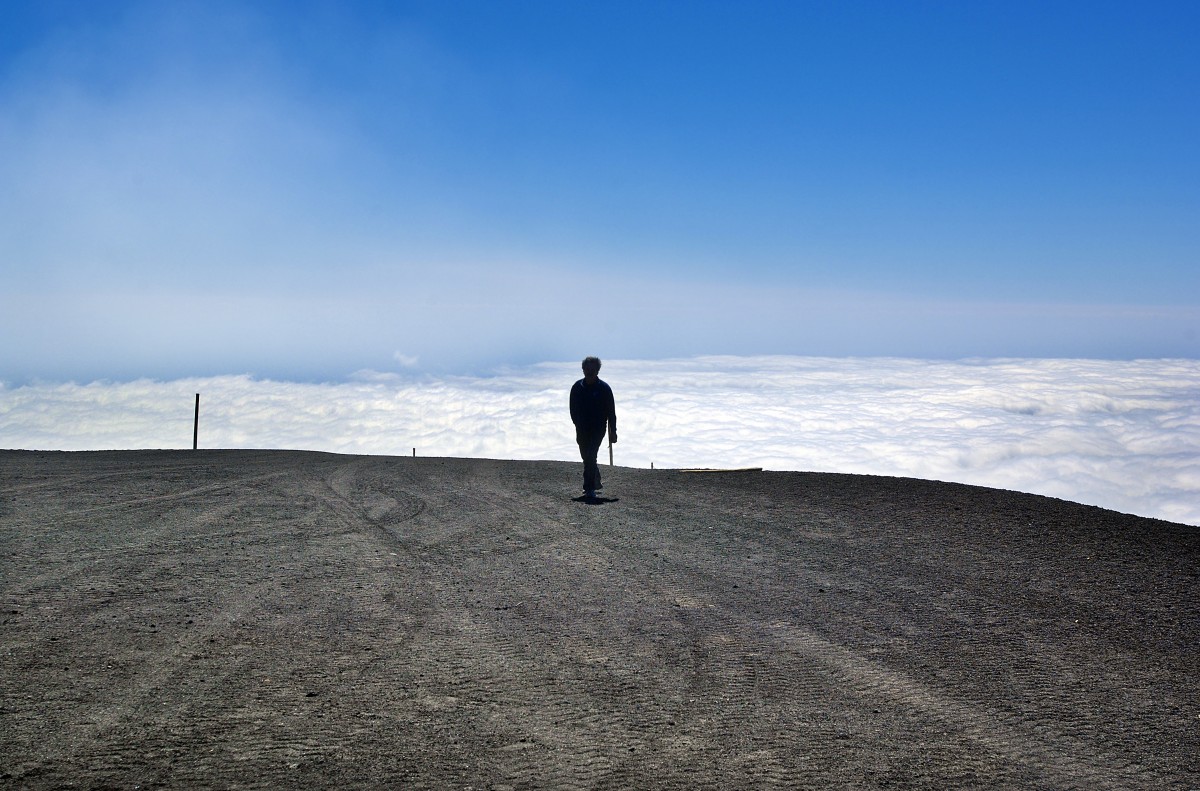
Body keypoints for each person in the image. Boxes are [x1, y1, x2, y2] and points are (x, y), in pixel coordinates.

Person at [570, 356, 617, 500]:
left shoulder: (604, 389)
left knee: (591, 455)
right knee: (586, 457)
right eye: (587, 369)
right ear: (583, 369)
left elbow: (611, 411)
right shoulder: (577, 387)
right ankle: (595, 478)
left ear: (597, 370)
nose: (589, 372)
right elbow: (572, 409)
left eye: (592, 369)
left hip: (598, 429)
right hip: (582, 428)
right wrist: (577, 423)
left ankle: (589, 487)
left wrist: (613, 431)